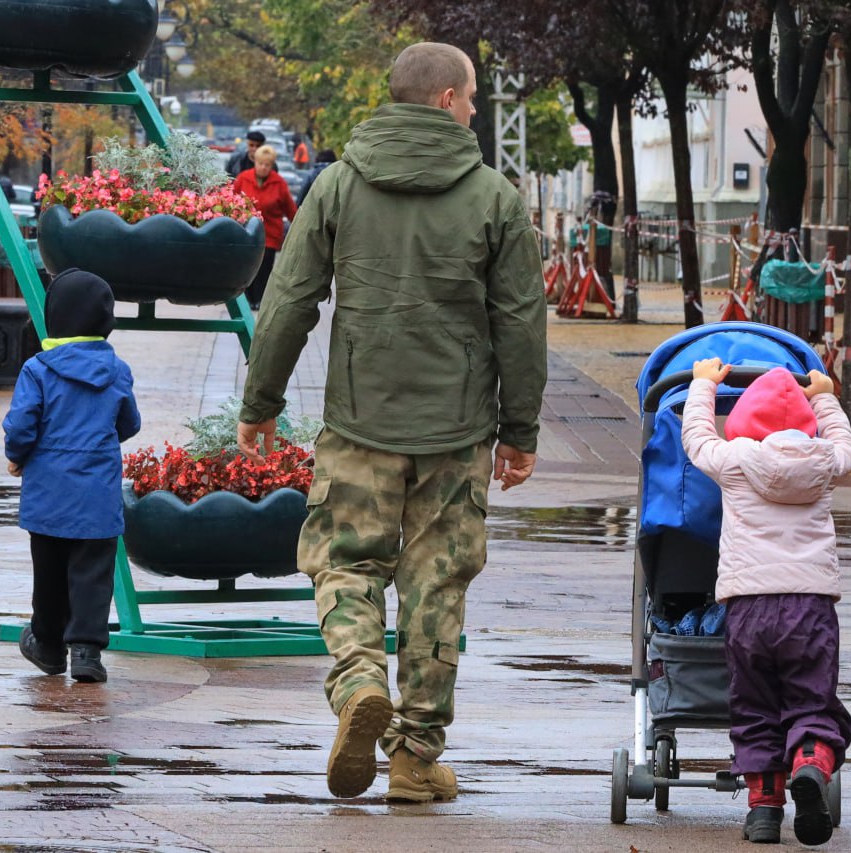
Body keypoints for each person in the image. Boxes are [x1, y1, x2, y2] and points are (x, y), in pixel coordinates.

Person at [236, 42, 547, 803]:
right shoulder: (494, 198)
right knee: (437, 583)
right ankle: (414, 756)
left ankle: (358, 683)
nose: (475, 110)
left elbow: (288, 300)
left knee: (345, 565)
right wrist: (520, 430)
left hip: (357, 423)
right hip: (457, 430)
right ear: (444, 100)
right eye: (471, 97)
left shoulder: (337, 185)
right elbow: (521, 322)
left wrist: (260, 404)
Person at [681, 360, 851, 846]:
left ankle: (762, 812)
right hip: (811, 608)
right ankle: (810, 763)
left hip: (749, 609)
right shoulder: (823, 462)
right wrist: (823, 395)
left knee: (755, 707)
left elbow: (696, 439)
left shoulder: (735, 460)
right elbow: (847, 446)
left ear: (743, 424)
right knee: (811, 700)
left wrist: (703, 386)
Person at [2, 269, 141, 685]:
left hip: (48, 491)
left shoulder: (38, 369)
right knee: (92, 574)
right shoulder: (117, 370)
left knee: (48, 571)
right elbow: (129, 423)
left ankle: (46, 644)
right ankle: (86, 651)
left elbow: (22, 424)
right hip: (96, 492)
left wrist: (16, 455)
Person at [232, 145, 297, 310]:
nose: (263, 167)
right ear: (255, 162)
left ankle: (261, 300)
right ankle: (248, 300)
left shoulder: (279, 183)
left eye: (267, 165)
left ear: (272, 165)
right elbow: (231, 202)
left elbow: (290, 209)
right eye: (260, 163)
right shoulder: (243, 178)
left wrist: (298, 228)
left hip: (269, 234)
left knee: (264, 268)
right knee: (246, 267)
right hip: (245, 233)